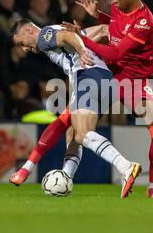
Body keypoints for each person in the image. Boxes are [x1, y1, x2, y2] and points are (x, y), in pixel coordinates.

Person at [63, 0, 153, 198]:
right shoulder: (117, 5)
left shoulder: (145, 23)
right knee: (72, 127)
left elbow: (114, 53)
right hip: (108, 75)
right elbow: (118, 26)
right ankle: (64, 176)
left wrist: (81, 39)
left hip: (133, 80)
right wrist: (98, 15)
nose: (114, 0)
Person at [10, 19, 141, 198]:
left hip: (88, 76)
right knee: (71, 133)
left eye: (21, 43)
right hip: (107, 81)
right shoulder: (58, 33)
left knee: (81, 133)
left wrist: (81, 50)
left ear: (28, 30)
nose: (24, 49)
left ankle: (125, 166)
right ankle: (65, 177)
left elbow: (68, 36)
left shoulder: (44, 36)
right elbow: (104, 29)